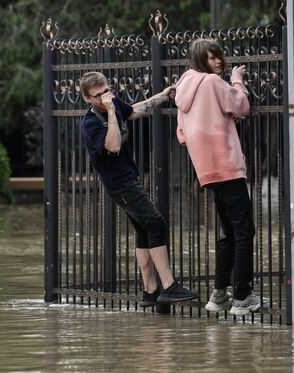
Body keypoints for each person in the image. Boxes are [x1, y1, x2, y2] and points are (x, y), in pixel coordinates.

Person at [80, 71, 199, 308]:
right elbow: (113, 145)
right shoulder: (91, 123)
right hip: (120, 185)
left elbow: (134, 110)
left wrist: (162, 97)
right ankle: (169, 286)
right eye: (98, 96)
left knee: (145, 231)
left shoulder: (113, 102)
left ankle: (150, 292)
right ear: (87, 99)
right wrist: (111, 111)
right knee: (156, 223)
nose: (105, 97)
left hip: (128, 179)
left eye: (106, 91)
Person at [175, 38, 260, 316]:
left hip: (206, 169)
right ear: (201, 60)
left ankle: (219, 294)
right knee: (245, 230)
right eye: (212, 58)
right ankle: (243, 297)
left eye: (219, 56)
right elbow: (241, 106)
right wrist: (237, 79)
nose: (218, 62)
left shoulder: (184, 88)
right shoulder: (213, 83)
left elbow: (182, 135)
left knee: (229, 232)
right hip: (227, 165)